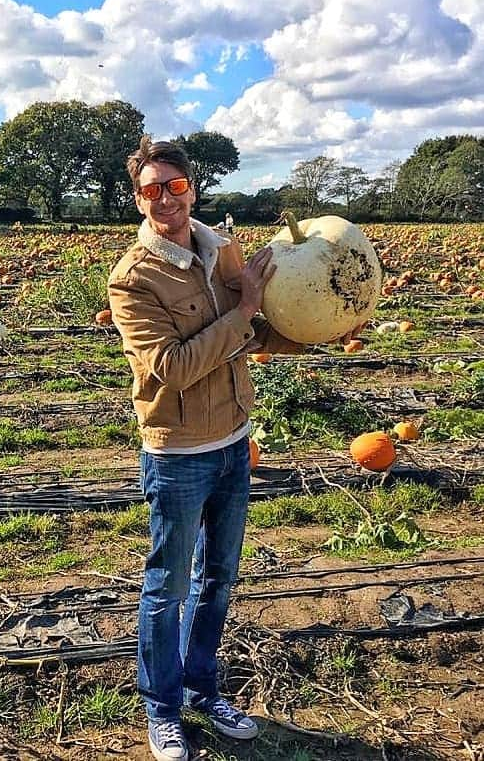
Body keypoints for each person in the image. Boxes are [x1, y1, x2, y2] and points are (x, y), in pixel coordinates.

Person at [107, 136, 360, 761]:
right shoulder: (133, 279)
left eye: (175, 186)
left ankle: (202, 690)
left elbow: (259, 330)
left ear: (191, 187)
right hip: (178, 450)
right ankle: (162, 709)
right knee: (167, 585)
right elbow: (170, 366)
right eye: (150, 190)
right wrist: (243, 307)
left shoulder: (224, 251)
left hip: (234, 442)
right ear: (136, 199)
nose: (164, 199)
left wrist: (325, 330)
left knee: (217, 578)